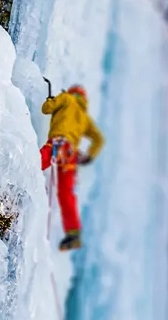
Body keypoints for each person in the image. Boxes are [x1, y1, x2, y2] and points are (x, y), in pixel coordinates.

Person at [40, 84, 104, 251]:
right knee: (66, 193)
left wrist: (51, 100)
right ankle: (73, 233)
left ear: (72, 93)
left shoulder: (66, 98)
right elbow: (98, 139)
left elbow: (46, 109)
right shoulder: (84, 117)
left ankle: (16, 177)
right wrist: (89, 156)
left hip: (58, 144)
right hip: (70, 155)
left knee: (36, 162)